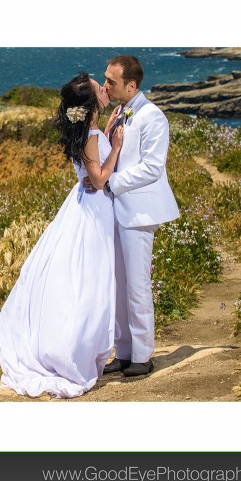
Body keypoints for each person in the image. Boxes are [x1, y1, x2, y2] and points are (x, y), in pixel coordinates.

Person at [0, 72, 123, 398]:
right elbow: (98, 179)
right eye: (99, 87)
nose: (105, 88)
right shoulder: (90, 133)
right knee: (87, 281)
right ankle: (74, 350)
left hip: (82, 207)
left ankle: (76, 344)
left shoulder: (86, 130)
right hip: (93, 209)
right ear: (92, 103)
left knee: (76, 278)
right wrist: (117, 146)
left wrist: (107, 133)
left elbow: (93, 151)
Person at [85, 55, 180, 377]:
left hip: (139, 210)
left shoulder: (153, 117)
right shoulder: (118, 112)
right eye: (106, 79)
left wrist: (110, 181)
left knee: (137, 286)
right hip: (114, 208)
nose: (106, 85)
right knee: (119, 285)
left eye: (111, 81)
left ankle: (142, 355)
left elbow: (153, 168)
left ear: (132, 85)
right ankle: (122, 352)